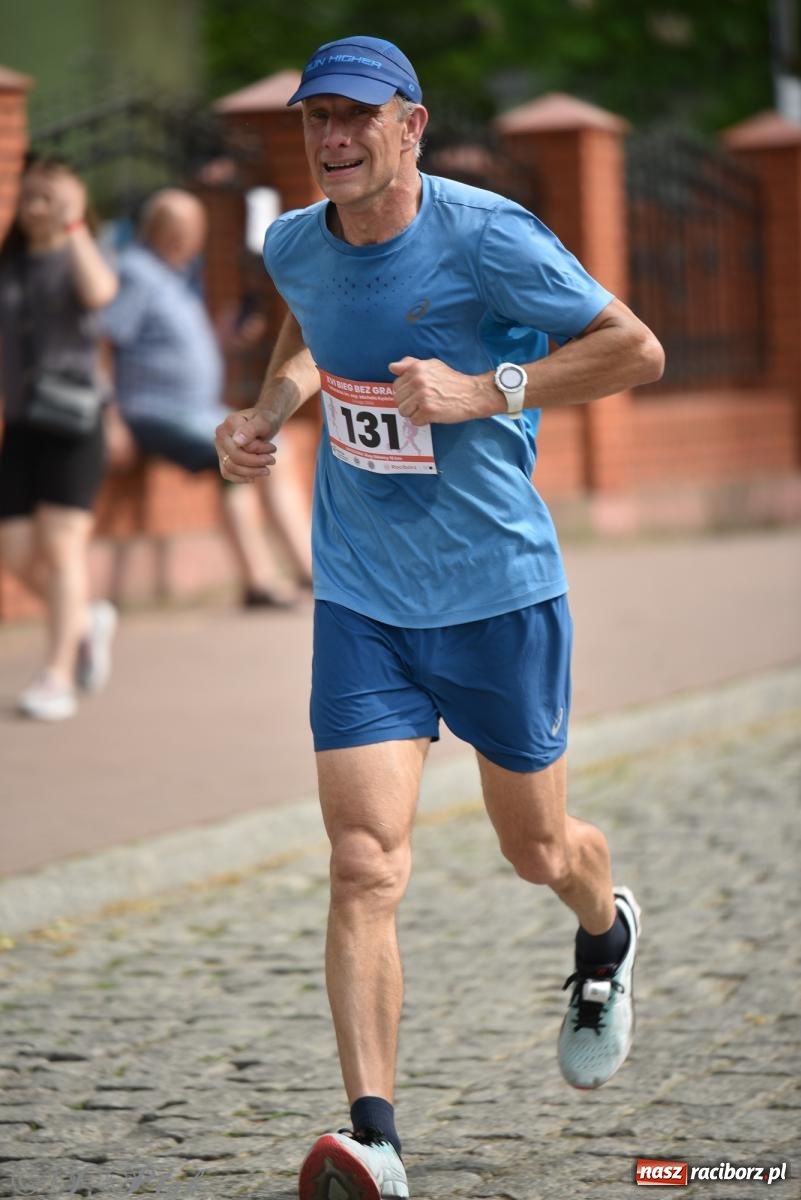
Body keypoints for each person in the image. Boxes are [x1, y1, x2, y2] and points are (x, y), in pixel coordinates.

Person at [215, 35, 665, 1200]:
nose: (333, 138)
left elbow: (634, 348)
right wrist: (267, 408)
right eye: (318, 117)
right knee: (364, 863)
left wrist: (487, 389)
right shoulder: (294, 242)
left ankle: (603, 923)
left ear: (412, 126)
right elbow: (308, 325)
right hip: (364, 599)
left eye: (358, 117)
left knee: (536, 852)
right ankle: (376, 1141)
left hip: (499, 597)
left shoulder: (489, 236)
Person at [99, 188, 308, 609]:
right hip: (155, 410)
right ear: (170, 233)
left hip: (194, 409)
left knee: (258, 454)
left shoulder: (174, 275)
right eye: (191, 231)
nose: (196, 241)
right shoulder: (138, 272)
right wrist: (110, 416)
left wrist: (224, 337)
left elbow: (163, 345)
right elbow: (105, 340)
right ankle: (284, 575)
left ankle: (283, 575)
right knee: (249, 453)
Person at [0, 155, 119, 721]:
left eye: (48, 198)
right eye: (29, 198)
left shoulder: (82, 255)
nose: (35, 208)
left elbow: (99, 295)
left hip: (75, 422)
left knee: (62, 544)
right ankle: (86, 620)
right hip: (23, 426)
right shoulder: (11, 265)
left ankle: (56, 676)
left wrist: (75, 229)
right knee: (16, 552)